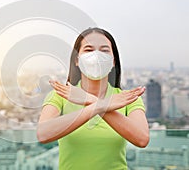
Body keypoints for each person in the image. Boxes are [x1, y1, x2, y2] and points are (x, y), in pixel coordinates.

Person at [37, 27, 149, 170]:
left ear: (113, 60)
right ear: (77, 60)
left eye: (104, 50)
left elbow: (142, 139)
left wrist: (90, 101)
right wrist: (100, 105)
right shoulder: (61, 95)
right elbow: (43, 134)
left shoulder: (126, 98)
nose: (96, 55)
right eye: (89, 50)